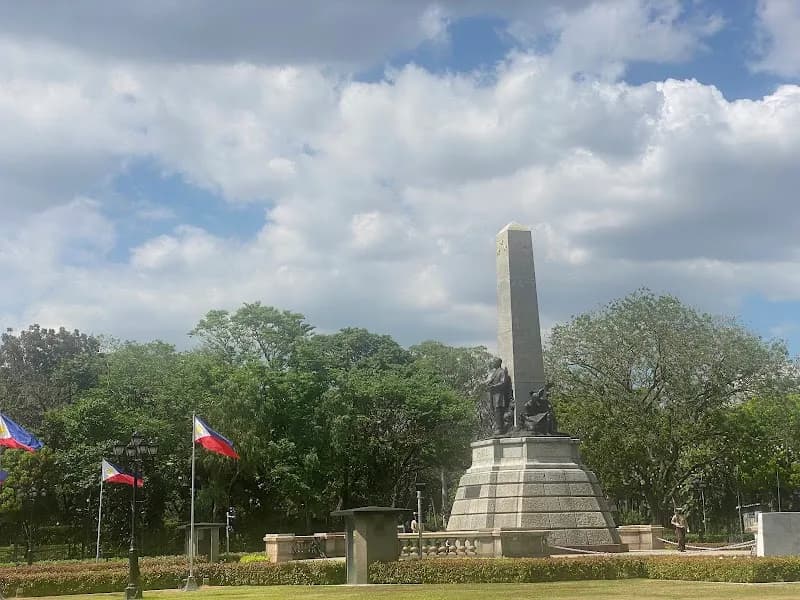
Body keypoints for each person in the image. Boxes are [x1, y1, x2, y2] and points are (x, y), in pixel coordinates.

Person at [487, 358, 512, 435]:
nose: (493, 363)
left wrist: (494, 386)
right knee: (495, 411)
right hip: (494, 395)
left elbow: (503, 382)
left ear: (498, 363)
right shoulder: (495, 372)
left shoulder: (501, 372)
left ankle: (500, 428)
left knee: (499, 411)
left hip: (500, 395)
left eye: (495, 362)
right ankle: (498, 427)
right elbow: (491, 381)